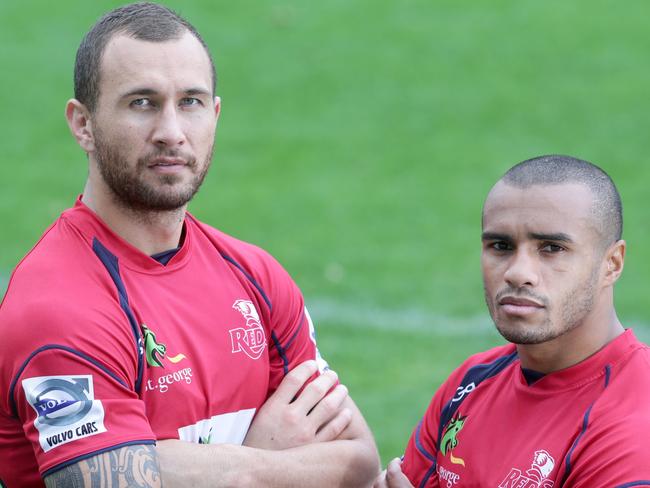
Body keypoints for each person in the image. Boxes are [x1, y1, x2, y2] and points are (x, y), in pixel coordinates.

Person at [0, 3, 379, 487]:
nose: (172, 133)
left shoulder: (255, 277)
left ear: (215, 114)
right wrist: (257, 460)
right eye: (142, 103)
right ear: (83, 124)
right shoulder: (59, 306)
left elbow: (360, 464)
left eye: (191, 102)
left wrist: (194, 467)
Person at [374, 155, 650, 487]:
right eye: (501, 246)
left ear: (612, 263)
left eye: (551, 248)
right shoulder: (471, 381)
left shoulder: (634, 423)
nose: (518, 272)